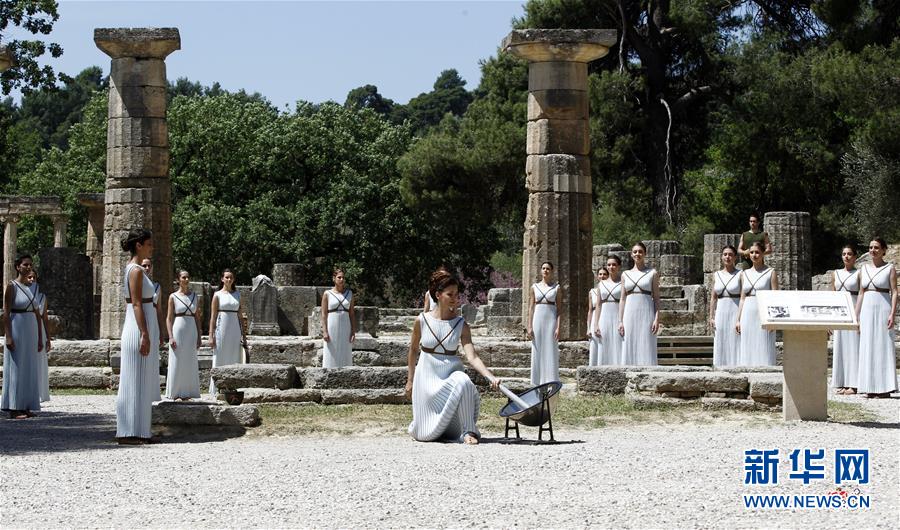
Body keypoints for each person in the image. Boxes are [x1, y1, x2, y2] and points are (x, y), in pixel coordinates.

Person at [406, 268, 500, 444]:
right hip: (426, 378)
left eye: (457, 294)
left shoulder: (461, 324)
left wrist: (490, 377)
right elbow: (412, 350)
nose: (456, 299)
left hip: (450, 375)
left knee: (463, 381)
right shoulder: (422, 320)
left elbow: (472, 357)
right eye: (450, 294)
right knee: (425, 435)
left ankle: (468, 431)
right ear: (438, 295)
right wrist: (410, 380)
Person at [115, 229, 159, 444]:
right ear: (139, 245)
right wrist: (144, 334)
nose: (152, 247)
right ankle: (127, 431)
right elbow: (136, 303)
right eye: (149, 244)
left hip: (141, 327)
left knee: (141, 381)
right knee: (133, 380)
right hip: (136, 329)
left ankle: (141, 430)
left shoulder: (138, 269)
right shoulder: (135, 271)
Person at [1, 255, 44, 419]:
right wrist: (9, 336)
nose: (28, 267)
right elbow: (6, 313)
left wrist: (41, 338)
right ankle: (14, 407)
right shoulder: (11, 286)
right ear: (18, 267)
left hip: (31, 329)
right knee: (17, 367)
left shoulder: (33, 287)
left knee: (29, 368)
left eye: (30, 265)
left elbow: (37, 314)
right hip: (17, 326)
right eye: (25, 264)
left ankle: (26, 405)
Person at [855, 238, 898, 399]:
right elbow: (860, 293)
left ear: (884, 250)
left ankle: (885, 387)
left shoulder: (889, 268)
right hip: (867, 308)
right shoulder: (863, 269)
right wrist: (856, 315)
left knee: (883, 345)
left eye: (877, 248)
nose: (873, 250)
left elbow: (894, 292)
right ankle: (868, 386)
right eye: (871, 247)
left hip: (883, 307)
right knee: (867, 345)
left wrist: (892, 313)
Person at [736, 241, 779, 366]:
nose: (754, 255)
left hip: (763, 310)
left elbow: (775, 297)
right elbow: (742, 298)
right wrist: (738, 319)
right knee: (748, 343)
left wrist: (773, 320)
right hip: (748, 311)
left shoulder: (771, 272)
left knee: (764, 343)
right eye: (752, 252)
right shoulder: (744, 274)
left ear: (763, 254)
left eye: (757, 252)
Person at [619, 243, 660, 365]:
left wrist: (657, 319)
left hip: (646, 312)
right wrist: (620, 321)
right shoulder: (625, 274)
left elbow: (657, 298)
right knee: (629, 342)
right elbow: (622, 298)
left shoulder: (652, 273)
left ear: (645, 254)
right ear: (631, 255)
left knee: (646, 342)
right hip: (629, 312)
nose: (638, 254)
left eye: (640, 251)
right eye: (635, 252)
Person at [164, 270, 201, 401]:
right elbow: (168, 318)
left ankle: (188, 392)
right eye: (183, 277)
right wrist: (170, 336)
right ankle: (176, 392)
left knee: (189, 359)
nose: (186, 279)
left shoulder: (195, 296)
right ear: (178, 279)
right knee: (177, 358)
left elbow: (197, 317)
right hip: (178, 329)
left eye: (187, 277)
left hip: (191, 329)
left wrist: (199, 336)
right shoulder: (173, 296)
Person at [208, 269, 246, 395]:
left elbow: (241, 316)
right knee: (220, 355)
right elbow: (213, 316)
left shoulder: (237, 295)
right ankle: (217, 387)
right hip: (221, 328)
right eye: (226, 277)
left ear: (233, 280)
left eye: (231, 278)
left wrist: (244, 336)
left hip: (234, 329)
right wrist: (210, 336)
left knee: (234, 355)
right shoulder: (217, 295)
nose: (229, 280)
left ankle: (232, 387)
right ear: (222, 279)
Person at [527, 261, 561, 385]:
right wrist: (529, 326)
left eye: (548, 269)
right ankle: (536, 380)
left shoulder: (556, 288)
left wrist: (558, 327)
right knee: (537, 348)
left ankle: (551, 379)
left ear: (551, 271)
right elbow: (531, 308)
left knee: (550, 348)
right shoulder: (534, 287)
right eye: (543, 268)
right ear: (541, 271)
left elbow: (559, 309)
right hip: (538, 319)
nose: (545, 270)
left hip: (551, 319)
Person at [831, 246, 860, 394]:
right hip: (839, 312)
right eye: (844, 254)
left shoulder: (859, 274)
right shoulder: (835, 274)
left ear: (855, 257)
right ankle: (842, 381)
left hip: (854, 310)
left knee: (853, 347)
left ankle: (854, 384)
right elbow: (833, 295)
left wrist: (859, 315)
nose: (846, 257)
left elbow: (862, 294)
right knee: (841, 347)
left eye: (849, 254)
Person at [710, 246, 741, 367]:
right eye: (725, 254)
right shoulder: (717, 274)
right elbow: (713, 297)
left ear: (735, 257)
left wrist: (740, 317)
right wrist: (711, 316)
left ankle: (736, 367)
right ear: (722, 257)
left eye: (730, 254)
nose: (727, 257)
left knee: (734, 340)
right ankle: (719, 367)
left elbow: (743, 297)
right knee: (720, 339)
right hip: (721, 311)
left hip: (734, 309)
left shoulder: (740, 274)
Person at [321, 267, 356, 368]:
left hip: (346, 324)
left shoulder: (349, 294)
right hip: (332, 323)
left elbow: (352, 314)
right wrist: (325, 331)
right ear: (334, 278)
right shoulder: (327, 294)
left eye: (343, 278)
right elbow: (323, 314)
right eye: (339, 277)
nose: (341, 280)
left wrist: (353, 331)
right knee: (331, 349)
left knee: (345, 349)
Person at [141, 258, 164, 402]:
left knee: (153, 355)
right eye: (144, 265)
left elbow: (160, 309)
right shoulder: (136, 283)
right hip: (141, 320)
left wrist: (162, 331)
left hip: (153, 321)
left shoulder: (157, 287)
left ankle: (152, 392)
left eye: (149, 265)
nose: (147, 268)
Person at [594, 256, 624, 365]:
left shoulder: (622, 283)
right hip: (604, 317)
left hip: (617, 316)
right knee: (604, 343)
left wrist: (622, 321)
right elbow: (598, 305)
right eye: (609, 265)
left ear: (619, 267)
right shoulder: (601, 284)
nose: (611, 267)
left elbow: (624, 301)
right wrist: (596, 324)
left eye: (614, 264)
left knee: (618, 344)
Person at [586, 267, 608, 366]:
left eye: (604, 274)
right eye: (600, 274)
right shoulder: (592, 292)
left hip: (607, 315)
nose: (602, 276)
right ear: (597, 276)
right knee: (595, 344)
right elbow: (590, 310)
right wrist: (588, 328)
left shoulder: (612, 289)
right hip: (595, 317)